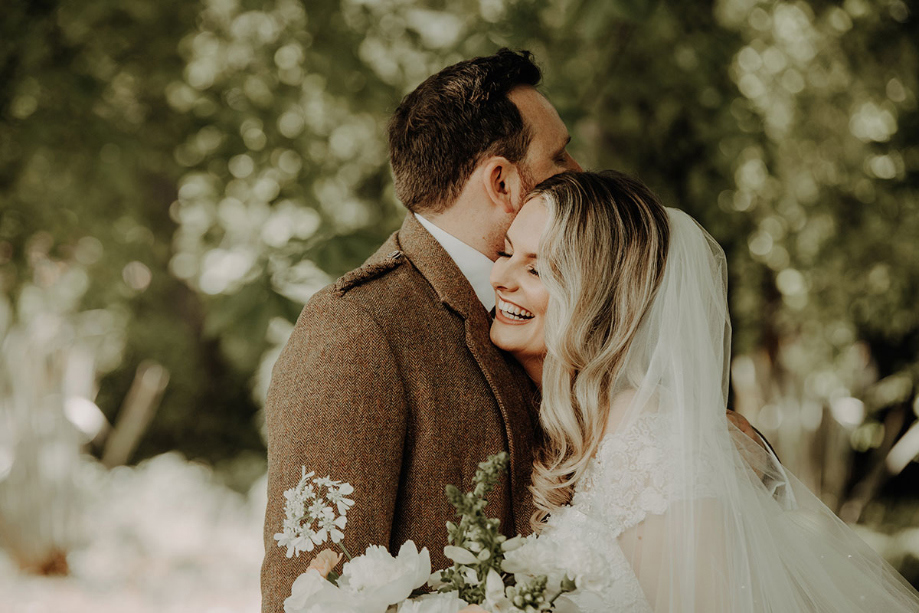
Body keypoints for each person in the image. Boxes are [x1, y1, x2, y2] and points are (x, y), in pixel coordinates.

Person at [489, 170, 919, 611]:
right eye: (505, 252)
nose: (500, 276)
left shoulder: (645, 431)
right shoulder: (591, 421)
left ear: (594, 298)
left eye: (536, 268)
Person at [260, 49, 582, 613]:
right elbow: (310, 593)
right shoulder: (357, 330)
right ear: (503, 182)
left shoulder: (574, 308)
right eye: (559, 156)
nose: (579, 171)